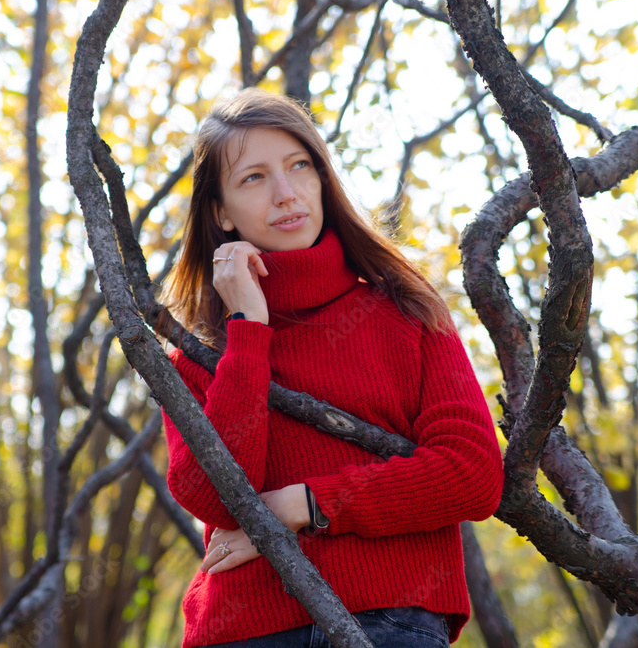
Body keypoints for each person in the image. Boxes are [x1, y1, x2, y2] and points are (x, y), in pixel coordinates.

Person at [157, 88, 503, 647]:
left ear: (322, 178)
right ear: (219, 211)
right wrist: (248, 329)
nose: (286, 193)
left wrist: (303, 504)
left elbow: (472, 474)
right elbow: (216, 497)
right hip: (244, 631)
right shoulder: (200, 353)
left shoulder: (407, 311)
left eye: (300, 166)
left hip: (390, 622)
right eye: (254, 177)